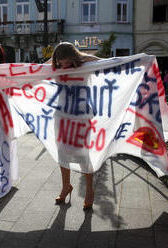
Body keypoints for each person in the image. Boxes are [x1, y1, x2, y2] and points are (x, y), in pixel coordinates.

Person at [50, 42, 101, 210]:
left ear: (72, 57)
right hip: (62, 118)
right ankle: (66, 187)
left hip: (81, 119)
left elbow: (102, 61)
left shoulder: (85, 66)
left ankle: (89, 190)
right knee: (62, 152)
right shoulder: (54, 68)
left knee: (83, 154)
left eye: (65, 59)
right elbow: (32, 70)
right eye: (59, 60)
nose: (62, 63)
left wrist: (81, 58)